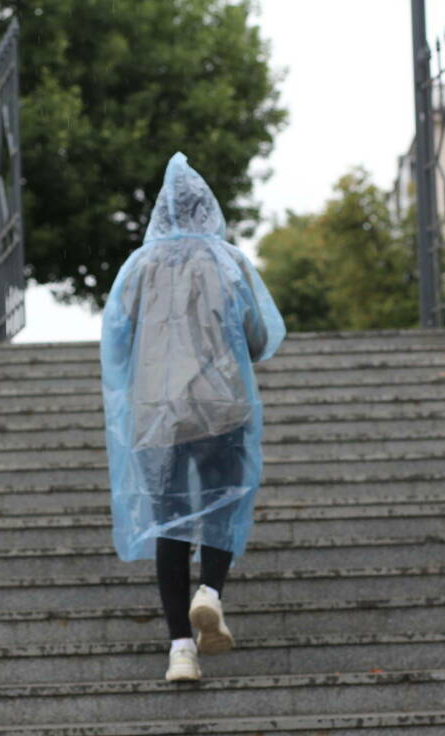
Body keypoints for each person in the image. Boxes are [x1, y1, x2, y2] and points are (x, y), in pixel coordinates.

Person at [99, 151, 285, 682]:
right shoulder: (229, 262)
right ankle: (210, 593)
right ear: (208, 208)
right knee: (223, 509)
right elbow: (258, 337)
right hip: (222, 408)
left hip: (158, 416)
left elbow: (117, 343)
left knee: (172, 524)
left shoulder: (139, 267)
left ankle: (181, 649)